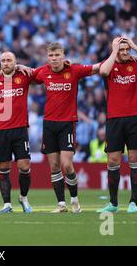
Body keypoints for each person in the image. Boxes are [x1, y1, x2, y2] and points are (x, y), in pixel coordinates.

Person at [97, 37, 137, 213]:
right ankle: (113, 203)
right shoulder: (109, 64)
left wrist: (136, 47)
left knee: (134, 159)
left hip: (135, 119)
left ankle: (133, 202)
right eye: (122, 49)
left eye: (127, 49)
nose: (125, 52)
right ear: (115, 50)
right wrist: (113, 51)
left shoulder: (136, 63)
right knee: (112, 161)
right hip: (114, 120)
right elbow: (103, 72)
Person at [33, 43, 100, 213]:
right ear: (47, 57)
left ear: (63, 55)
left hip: (67, 124)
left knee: (67, 165)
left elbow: (97, 68)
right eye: (51, 55)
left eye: (57, 55)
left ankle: (75, 200)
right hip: (48, 124)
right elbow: (28, 74)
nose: (54, 58)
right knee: (54, 166)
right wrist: (18, 66)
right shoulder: (43, 72)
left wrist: (115, 52)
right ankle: (61, 204)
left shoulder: (74, 70)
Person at [0, 51, 34, 213]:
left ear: (15, 62)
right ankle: (7, 204)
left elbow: (39, 73)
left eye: (9, 60)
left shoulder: (23, 75)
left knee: (24, 166)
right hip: (1, 130)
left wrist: (23, 66)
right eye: (3, 60)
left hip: (20, 129)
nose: (6, 63)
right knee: (3, 167)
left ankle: (23, 197)